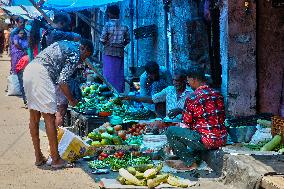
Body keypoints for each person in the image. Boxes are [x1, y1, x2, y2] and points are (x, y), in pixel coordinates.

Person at [23, 39, 93, 168]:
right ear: (83, 48)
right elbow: (62, 81)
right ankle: (56, 160)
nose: (83, 60)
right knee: (49, 117)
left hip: (30, 69)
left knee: (34, 116)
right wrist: (71, 100)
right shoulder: (76, 53)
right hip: (42, 74)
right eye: (85, 56)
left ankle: (39, 157)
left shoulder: (67, 43)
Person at [166, 67, 227, 170]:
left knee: (171, 131)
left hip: (207, 141)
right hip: (222, 139)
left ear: (194, 79)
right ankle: (196, 156)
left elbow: (186, 124)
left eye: (188, 80)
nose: (188, 83)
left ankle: (190, 163)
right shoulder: (218, 94)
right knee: (195, 132)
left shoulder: (192, 97)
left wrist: (171, 142)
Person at [42, 12, 81, 128]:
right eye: (66, 24)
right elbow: (77, 37)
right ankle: (56, 136)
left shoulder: (47, 32)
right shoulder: (57, 33)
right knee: (61, 107)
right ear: (62, 23)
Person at [122, 69, 193, 120]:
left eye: (177, 81)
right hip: (168, 123)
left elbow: (195, 114)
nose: (174, 83)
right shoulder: (169, 90)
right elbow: (152, 99)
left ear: (184, 81)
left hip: (184, 125)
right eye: (173, 80)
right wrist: (131, 97)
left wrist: (181, 111)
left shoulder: (191, 94)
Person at [100, 5, 130, 93]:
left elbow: (102, 39)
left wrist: (107, 44)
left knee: (108, 73)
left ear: (110, 14)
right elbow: (128, 40)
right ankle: (119, 92)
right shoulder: (124, 25)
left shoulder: (107, 25)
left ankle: (107, 90)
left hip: (108, 51)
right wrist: (121, 45)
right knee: (118, 73)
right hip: (120, 52)